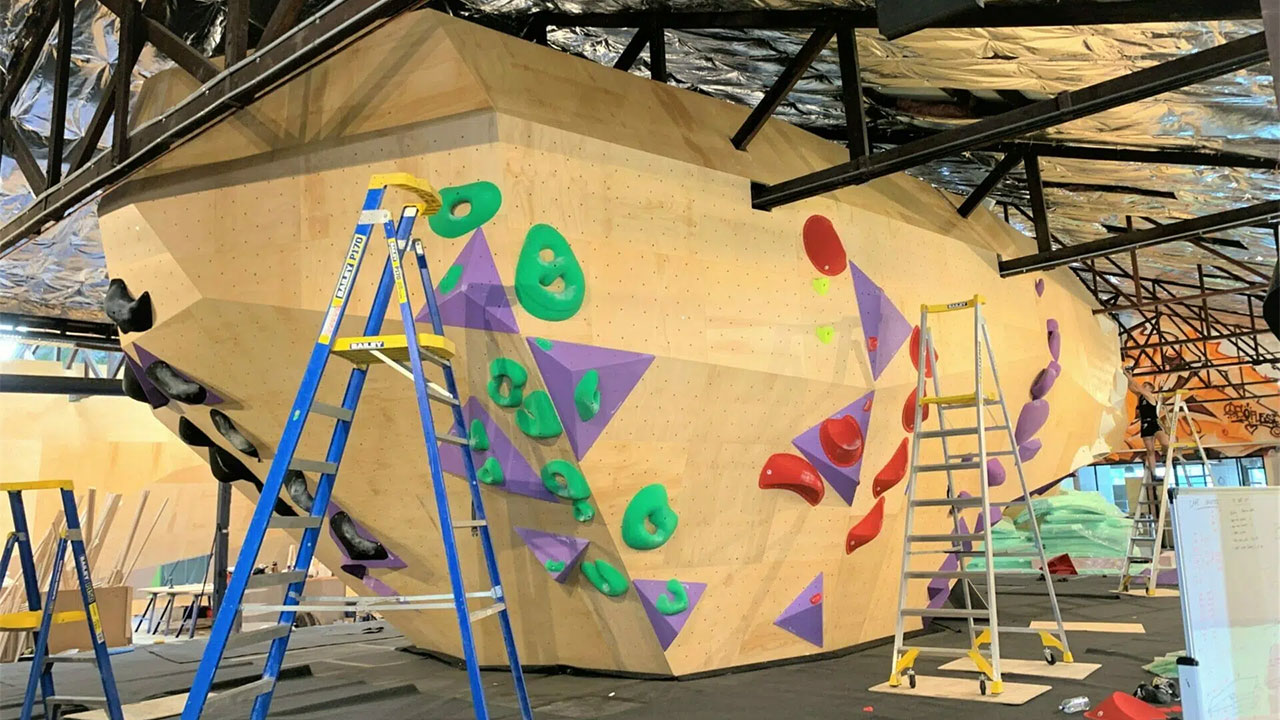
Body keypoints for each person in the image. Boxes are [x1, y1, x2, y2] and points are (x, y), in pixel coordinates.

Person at [1124, 368, 1169, 512]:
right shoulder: (1140, 397)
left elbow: (1135, 386)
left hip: (1154, 422)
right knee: (1149, 450)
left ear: (1149, 389)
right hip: (1145, 423)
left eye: (1145, 386)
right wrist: (1128, 377)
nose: (1143, 387)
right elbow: (1132, 387)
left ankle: (1166, 455)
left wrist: (1128, 374)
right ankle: (1155, 474)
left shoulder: (1149, 395)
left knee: (1165, 443)